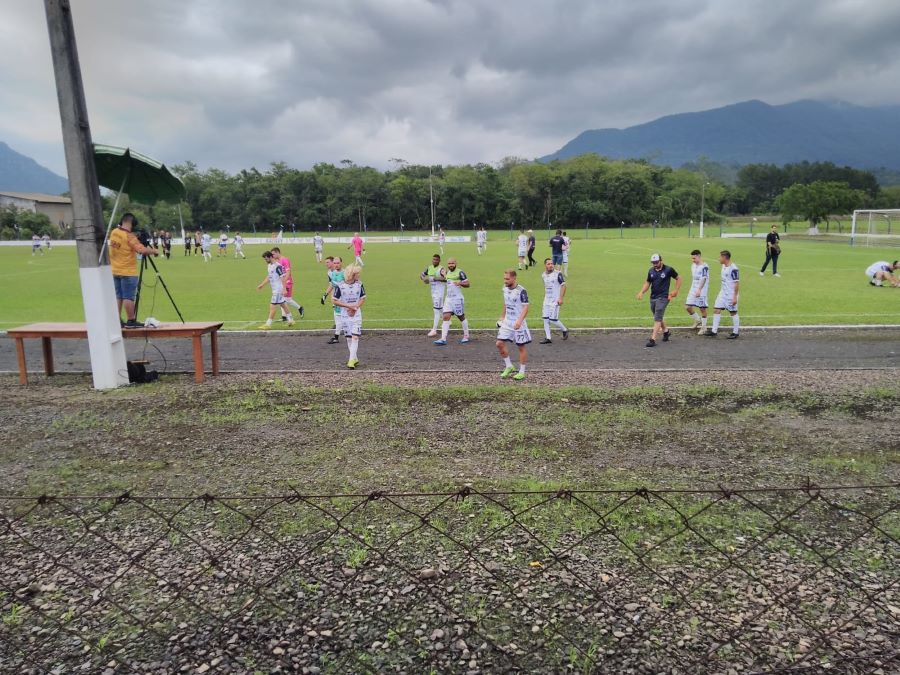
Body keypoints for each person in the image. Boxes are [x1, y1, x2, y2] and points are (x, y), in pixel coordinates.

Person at [108, 212, 158, 328]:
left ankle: (117, 320)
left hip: (115, 270)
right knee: (128, 296)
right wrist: (154, 251)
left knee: (119, 296)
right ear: (131, 223)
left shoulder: (114, 232)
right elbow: (142, 250)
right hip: (128, 272)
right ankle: (131, 320)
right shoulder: (130, 237)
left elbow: (124, 240)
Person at [636, 253, 681, 348]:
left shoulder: (668, 269)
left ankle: (653, 339)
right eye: (653, 262)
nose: (655, 264)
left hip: (664, 297)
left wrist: (675, 290)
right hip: (653, 297)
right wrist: (641, 292)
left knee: (657, 316)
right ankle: (666, 332)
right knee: (658, 316)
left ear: (661, 260)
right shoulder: (651, 271)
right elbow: (648, 282)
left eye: (656, 262)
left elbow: (678, 278)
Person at [496, 269, 531, 380]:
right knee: (499, 343)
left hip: (518, 322)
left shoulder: (521, 291)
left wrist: (519, 321)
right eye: (504, 278)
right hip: (507, 321)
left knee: (521, 347)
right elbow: (506, 303)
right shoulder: (504, 288)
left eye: (507, 279)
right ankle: (509, 366)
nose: (505, 281)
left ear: (514, 278)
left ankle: (522, 372)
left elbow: (526, 307)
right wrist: (502, 316)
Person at [332, 264, 366, 369]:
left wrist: (355, 307)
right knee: (349, 338)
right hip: (345, 315)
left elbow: (362, 298)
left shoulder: (360, 285)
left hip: (356, 314)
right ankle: (354, 358)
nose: (359, 275)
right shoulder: (340, 286)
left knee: (355, 337)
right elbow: (334, 300)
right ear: (352, 274)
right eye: (357, 273)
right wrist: (347, 306)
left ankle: (350, 360)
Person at [434, 257, 471, 345]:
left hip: (457, 299)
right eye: (449, 264)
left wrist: (460, 283)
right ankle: (443, 339)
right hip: (448, 299)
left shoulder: (460, 272)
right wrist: (436, 278)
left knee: (461, 316)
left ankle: (466, 336)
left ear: (456, 263)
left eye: (452, 263)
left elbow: (468, 284)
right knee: (445, 316)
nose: (450, 265)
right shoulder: (448, 273)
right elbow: (446, 280)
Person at [705, 250, 741, 339]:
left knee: (733, 312)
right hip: (722, 293)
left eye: (720, 257)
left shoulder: (734, 269)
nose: (719, 259)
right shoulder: (723, 266)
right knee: (716, 309)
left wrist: (735, 297)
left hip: (731, 294)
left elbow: (737, 283)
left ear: (725, 258)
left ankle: (735, 332)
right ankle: (714, 331)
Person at [256, 250, 293, 329]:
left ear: (270, 257)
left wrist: (284, 289)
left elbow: (283, 278)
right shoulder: (269, 266)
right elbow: (269, 277)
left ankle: (268, 324)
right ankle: (291, 320)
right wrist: (262, 285)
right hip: (275, 289)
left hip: (278, 290)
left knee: (272, 306)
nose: (265, 261)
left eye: (266, 259)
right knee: (283, 304)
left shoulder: (278, 266)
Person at [270, 247, 305, 320]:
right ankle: (284, 317)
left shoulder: (284, 260)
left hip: (287, 282)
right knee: (282, 299)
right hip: (281, 283)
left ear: (277, 252)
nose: (272, 256)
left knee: (286, 299)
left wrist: (285, 282)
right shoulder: (276, 261)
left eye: (273, 254)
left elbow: (288, 272)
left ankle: (300, 308)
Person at [540, 258, 568, 344]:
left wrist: (560, 298)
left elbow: (563, 286)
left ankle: (565, 330)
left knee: (552, 319)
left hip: (555, 300)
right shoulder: (543, 275)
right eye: (548, 264)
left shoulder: (558, 274)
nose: (551, 265)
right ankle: (548, 338)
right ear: (545, 265)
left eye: (552, 263)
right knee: (545, 319)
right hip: (546, 300)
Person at [420, 254, 446, 337]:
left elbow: (445, 278)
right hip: (433, 292)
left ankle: (434, 330)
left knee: (436, 310)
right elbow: (422, 274)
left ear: (439, 261)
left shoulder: (441, 269)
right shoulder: (429, 267)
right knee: (440, 307)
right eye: (433, 259)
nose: (434, 261)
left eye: (436, 260)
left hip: (439, 292)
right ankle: (447, 320)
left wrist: (433, 279)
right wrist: (424, 279)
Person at [685, 249, 709, 334]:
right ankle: (697, 320)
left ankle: (704, 327)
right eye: (692, 258)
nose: (693, 260)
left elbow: (704, 278)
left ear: (699, 256)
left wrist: (699, 289)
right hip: (693, 289)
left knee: (702, 308)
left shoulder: (704, 267)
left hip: (701, 290)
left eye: (694, 258)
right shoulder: (693, 265)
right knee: (687, 307)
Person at [324, 256, 345, 343]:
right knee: (338, 316)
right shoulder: (333, 273)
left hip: (343, 299)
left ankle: (338, 337)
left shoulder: (345, 273)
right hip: (337, 298)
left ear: (341, 263)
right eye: (335, 263)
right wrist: (325, 295)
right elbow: (332, 285)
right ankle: (337, 337)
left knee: (340, 316)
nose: (336, 265)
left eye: (338, 263)